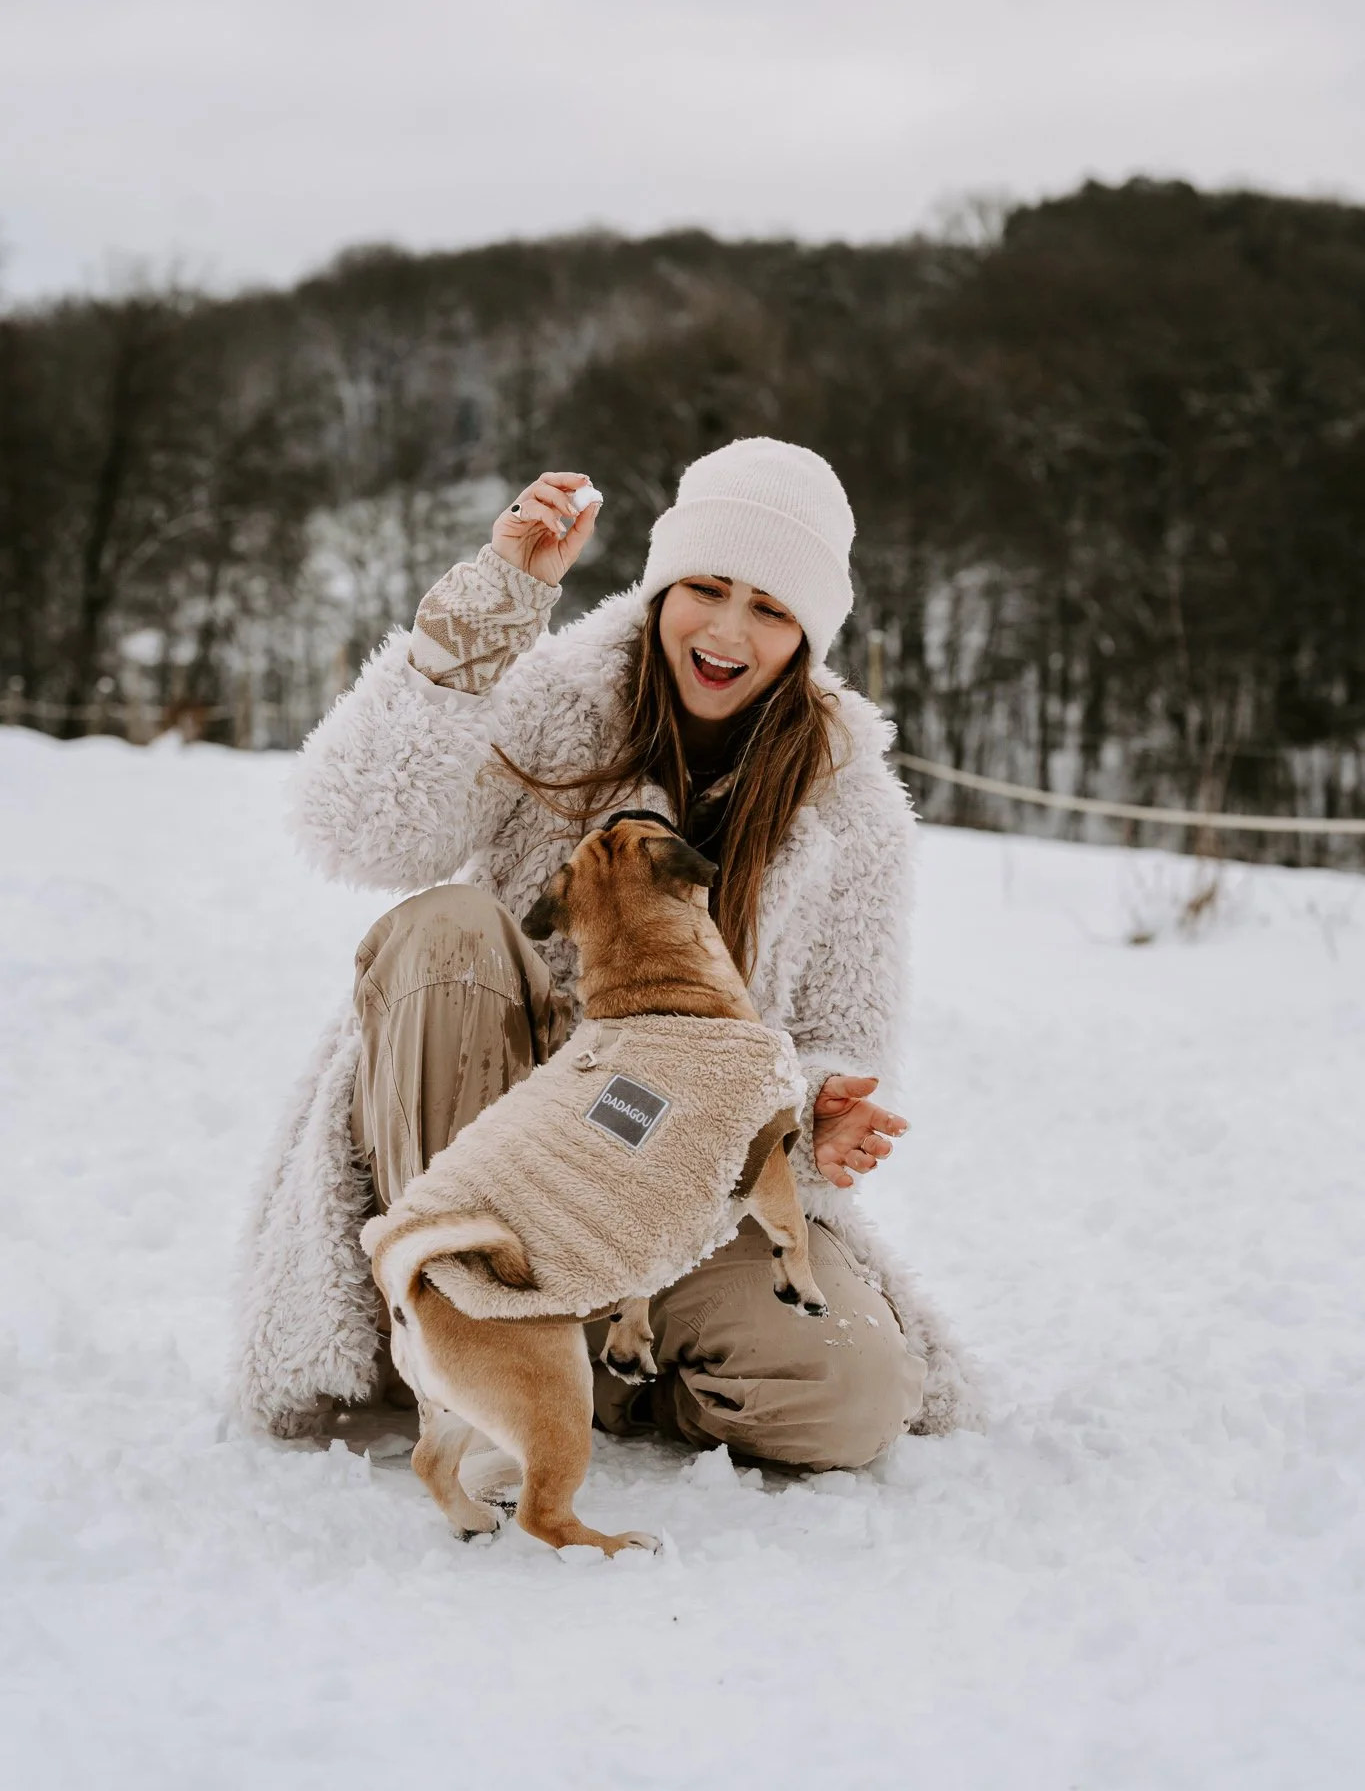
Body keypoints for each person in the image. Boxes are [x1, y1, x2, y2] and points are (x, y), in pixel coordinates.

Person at [233, 437, 967, 1463]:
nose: (725, 628)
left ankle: (579, 1365)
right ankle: (464, 1321)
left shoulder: (854, 810)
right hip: (490, 1121)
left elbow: (839, 1030)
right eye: (705, 586)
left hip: (666, 1174)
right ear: (661, 583)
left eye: (769, 606)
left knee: (847, 1393)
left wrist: (822, 1108)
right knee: (443, 929)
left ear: (809, 632)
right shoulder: (552, 697)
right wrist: (489, 610)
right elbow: (357, 826)